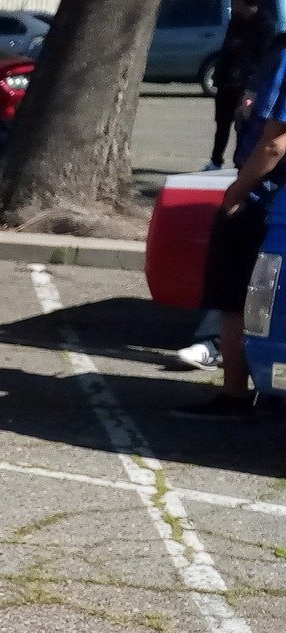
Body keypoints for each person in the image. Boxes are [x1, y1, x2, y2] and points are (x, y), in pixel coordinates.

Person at [178, 33, 286, 417]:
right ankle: (267, 390)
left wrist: (237, 192)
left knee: (234, 298)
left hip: (265, 198)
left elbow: (275, 143)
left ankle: (235, 393)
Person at [210, 0, 277, 169]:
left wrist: (252, 87)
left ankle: (239, 163)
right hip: (227, 82)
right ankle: (215, 161)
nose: (232, 5)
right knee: (222, 124)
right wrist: (220, 76)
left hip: (247, 85)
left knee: (243, 126)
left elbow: (263, 60)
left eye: (235, 2)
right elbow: (226, 50)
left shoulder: (265, 25)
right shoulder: (236, 21)